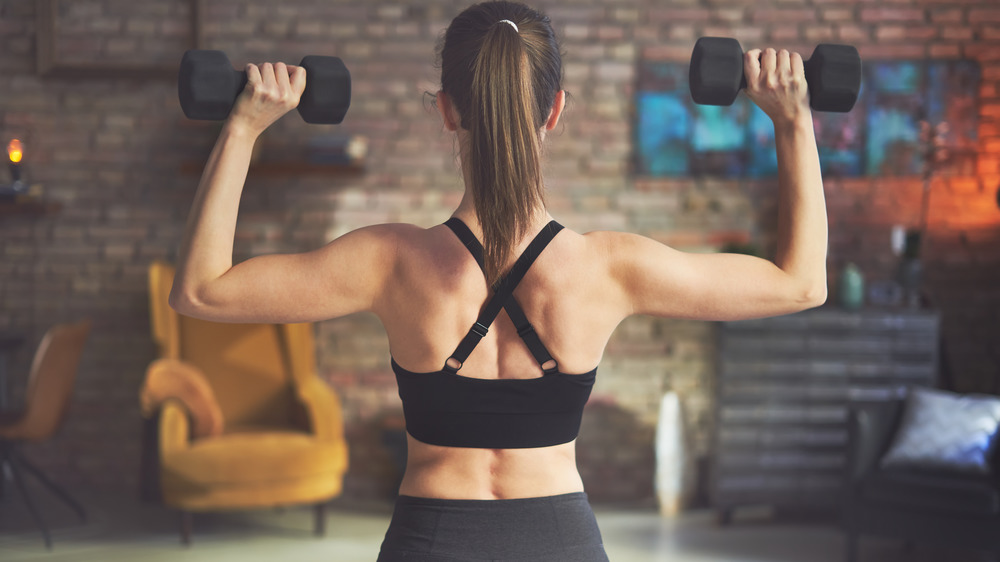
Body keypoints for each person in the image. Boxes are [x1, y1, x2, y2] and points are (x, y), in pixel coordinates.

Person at [169, 1, 828, 560]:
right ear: (555, 111)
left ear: (448, 112)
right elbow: (801, 283)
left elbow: (199, 290)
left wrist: (244, 127)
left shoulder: (390, 261)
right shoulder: (610, 267)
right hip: (559, 541)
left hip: (430, 538)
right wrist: (794, 122)